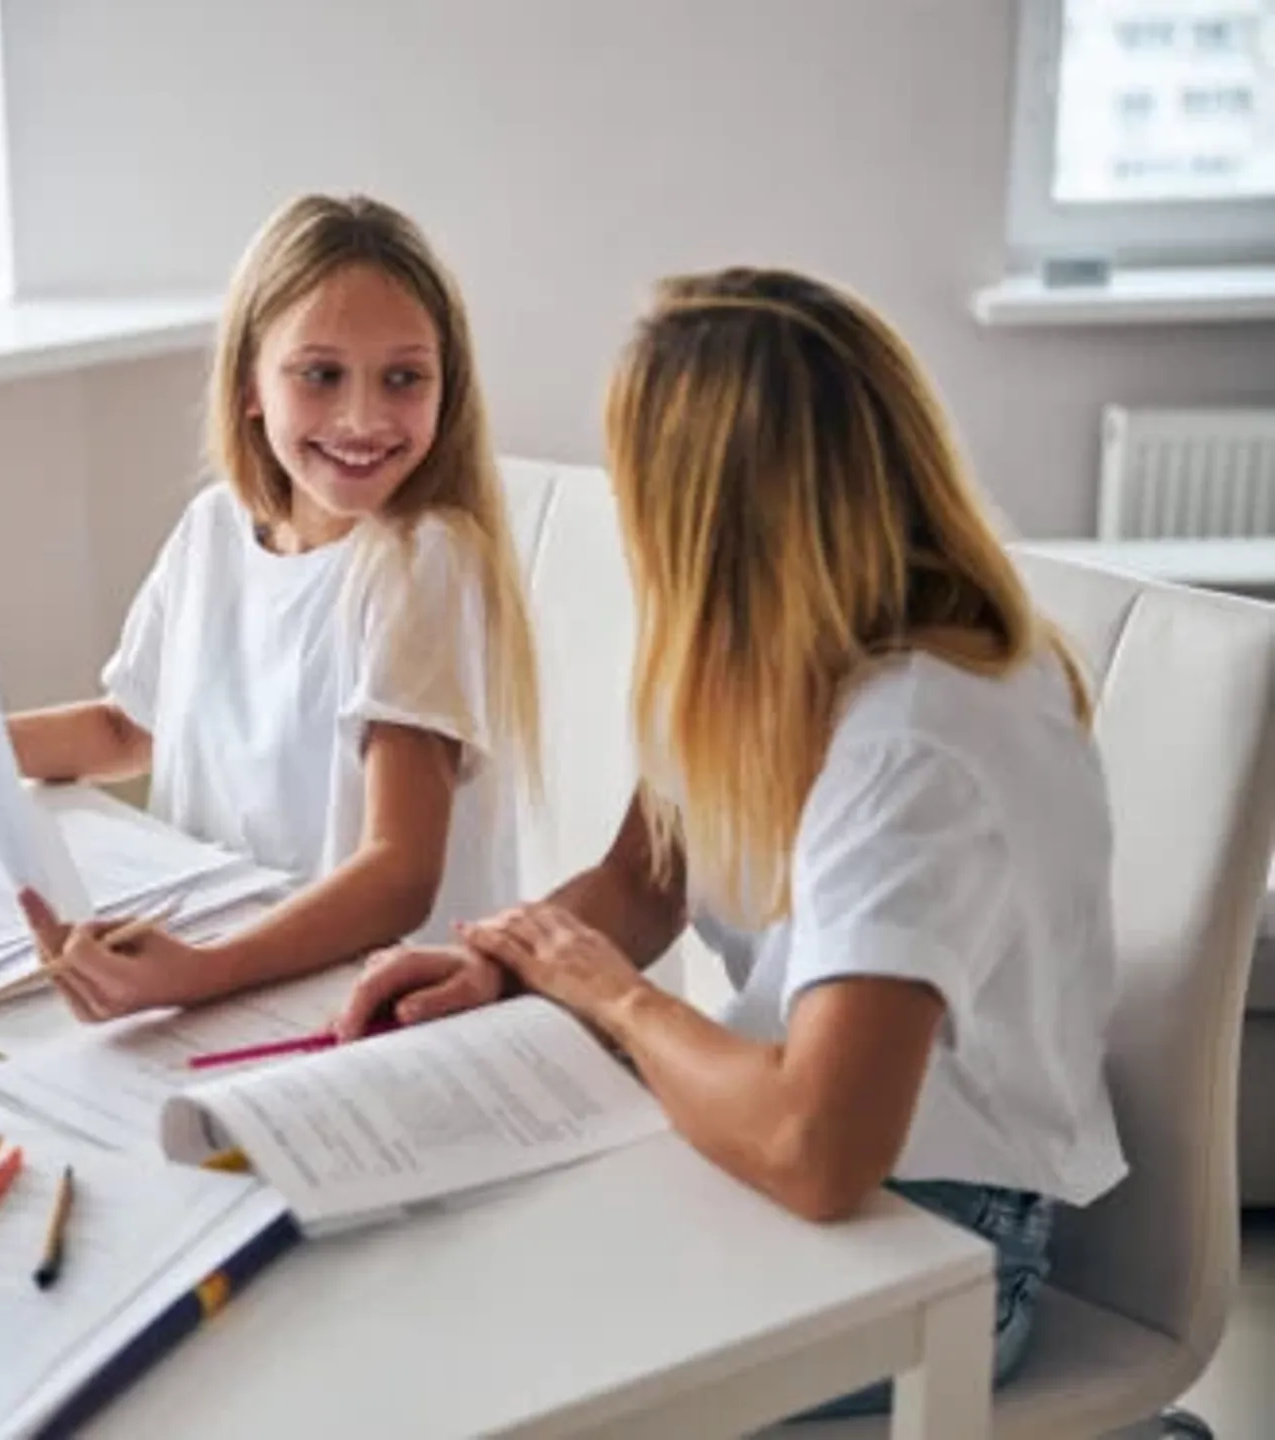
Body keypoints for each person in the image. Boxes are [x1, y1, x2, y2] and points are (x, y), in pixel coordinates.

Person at [338, 267, 1126, 1409]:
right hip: (788, 1139)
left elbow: (818, 1150)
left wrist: (612, 999)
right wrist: (499, 961)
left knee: (494, 1357)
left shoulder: (919, 739)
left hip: (945, 1234)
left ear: (710, 516)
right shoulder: (757, 650)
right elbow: (640, 882)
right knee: (422, 1272)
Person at [12, 194, 540, 1025]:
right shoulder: (214, 531)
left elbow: (400, 873)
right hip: (236, 986)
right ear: (251, 383)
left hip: (365, 1012)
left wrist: (199, 973)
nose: (362, 417)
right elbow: (126, 729)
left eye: (403, 379)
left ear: (447, 388)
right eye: (321, 375)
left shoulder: (421, 562)